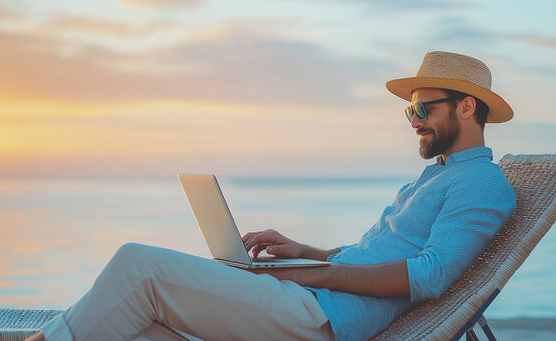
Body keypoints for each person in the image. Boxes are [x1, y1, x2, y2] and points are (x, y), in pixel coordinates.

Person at [27, 51, 516, 341]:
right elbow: (377, 255)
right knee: (142, 324)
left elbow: (430, 275)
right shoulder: (436, 176)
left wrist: (316, 273)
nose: (413, 121)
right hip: (313, 294)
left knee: (138, 266)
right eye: (409, 111)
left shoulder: (481, 183)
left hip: (328, 315)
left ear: (467, 106)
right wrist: (305, 253)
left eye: (421, 108)